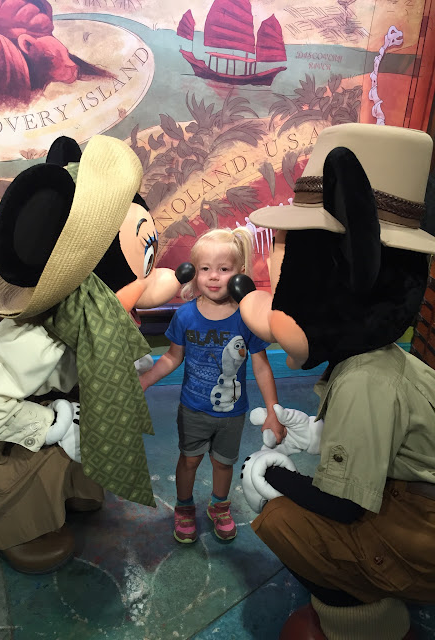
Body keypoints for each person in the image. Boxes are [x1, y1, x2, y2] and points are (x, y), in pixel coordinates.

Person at [232, 123, 435, 640]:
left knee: (283, 519)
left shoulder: (367, 379)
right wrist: (319, 435)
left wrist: (277, 476)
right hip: (413, 491)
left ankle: (367, 624)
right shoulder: (378, 357)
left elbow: (344, 505)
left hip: (424, 521)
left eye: (288, 261)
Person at [0, 135, 194, 574]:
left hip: (44, 390)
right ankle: (19, 525)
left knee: (92, 420)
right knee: (45, 453)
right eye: (134, 280)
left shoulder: (91, 321)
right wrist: (53, 422)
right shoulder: (36, 341)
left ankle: (72, 489)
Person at [139, 227, 286, 544]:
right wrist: (145, 380)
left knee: (223, 463)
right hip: (193, 410)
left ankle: (219, 507)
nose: (214, 276)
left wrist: (273, 411)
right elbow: (172, 357)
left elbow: (261, 365)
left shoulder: (247, 318)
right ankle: (184, 507)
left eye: (224, 268)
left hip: (232, 414)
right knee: (189, 460)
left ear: (240, 272)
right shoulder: (185, 316)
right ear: (193, 272)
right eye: (205, 268)